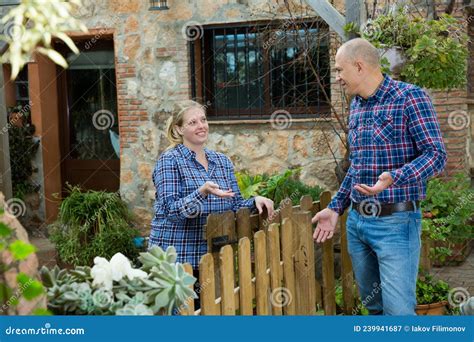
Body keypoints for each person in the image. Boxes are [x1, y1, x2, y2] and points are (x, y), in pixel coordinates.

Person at [312, 38, 447, 315]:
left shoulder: (409, 97)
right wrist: (336, 207)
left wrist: (395, 177)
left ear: (359, 66)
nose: (337, 78)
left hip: (396, 223)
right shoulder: (357, 106)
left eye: (340, 70)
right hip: (358, 224)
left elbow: (436, 156)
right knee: (374, 309)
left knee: (398, 313)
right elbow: (357, 166)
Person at [150, 100, 274, 284]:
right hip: (177, 261)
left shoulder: (222, 161)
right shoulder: (169, 161)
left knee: (212, 310)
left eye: (203, 120)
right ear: (178, 130)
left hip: (213, 257)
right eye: (193, 122)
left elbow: (235, 204)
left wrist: (256, 201)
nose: (201, 126)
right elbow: (171, 211)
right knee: (182, 313)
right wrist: (202, 192)